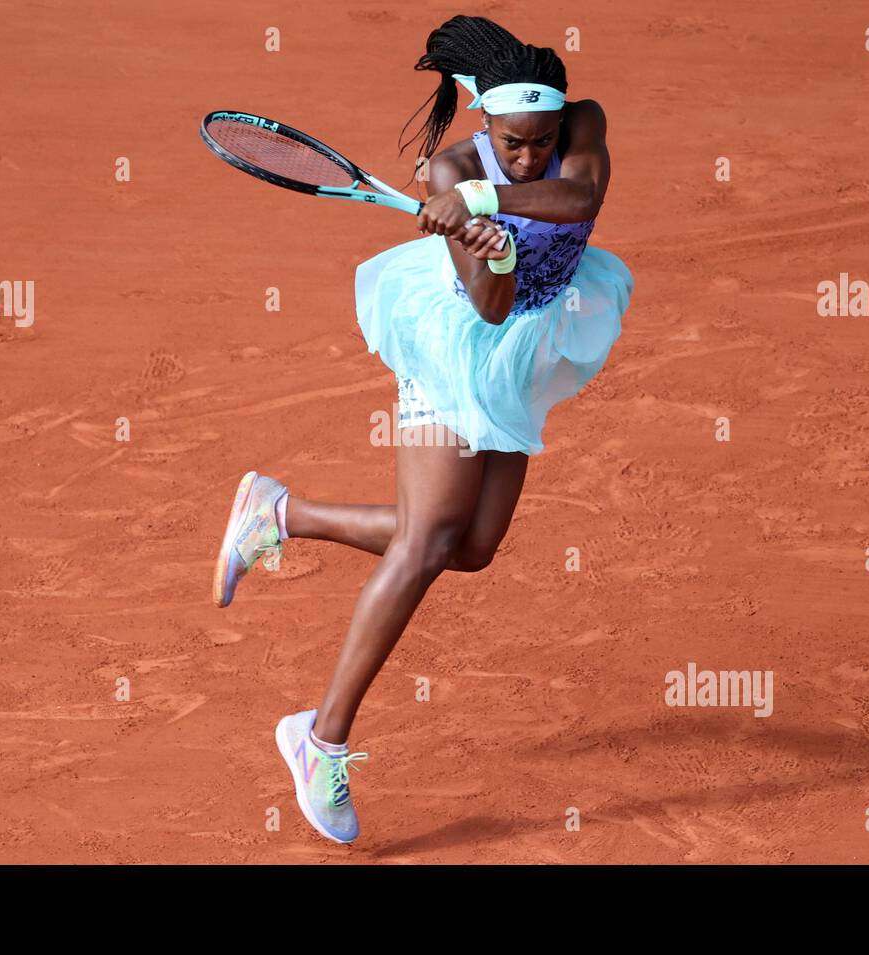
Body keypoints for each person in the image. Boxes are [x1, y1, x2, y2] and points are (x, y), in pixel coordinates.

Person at [213, 15, 633, 844]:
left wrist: (485, 204)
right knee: (426, 543)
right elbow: (488, 304)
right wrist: (494, 254)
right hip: (457, 343)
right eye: (511, 144)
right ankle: (320, 736)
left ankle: (280, 513)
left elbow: (581, 196)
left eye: (540, 141)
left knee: (472, 544)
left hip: (529, 345)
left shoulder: (578, 129)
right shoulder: (447, 164)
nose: (528, 156)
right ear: (483, 122)